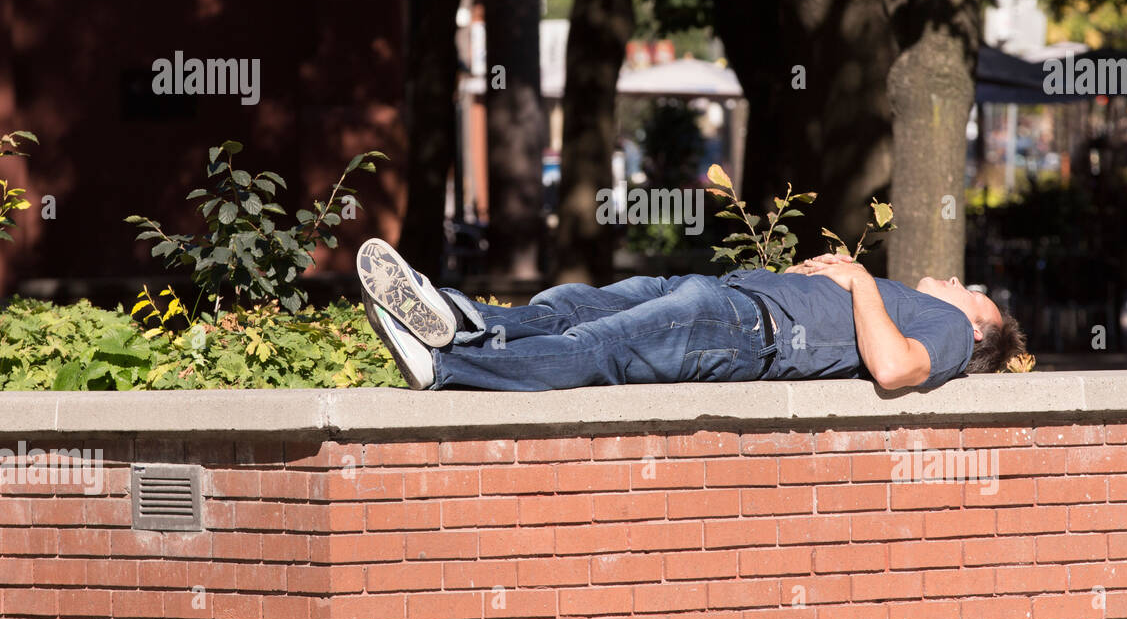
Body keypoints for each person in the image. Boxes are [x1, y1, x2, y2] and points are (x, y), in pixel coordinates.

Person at [354, 237, 1025, 391]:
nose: (958, 281)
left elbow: (892, 367)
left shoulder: (948, 339)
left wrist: (855, 280)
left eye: (971, 291)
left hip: (737, 331)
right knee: (570, 304)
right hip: (722, 296)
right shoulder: (918, 305)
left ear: (975, 327)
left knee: (597, 344)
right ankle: (455, 314)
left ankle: (447, 365)